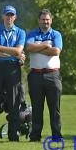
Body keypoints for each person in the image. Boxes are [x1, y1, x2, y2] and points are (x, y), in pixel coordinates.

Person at [0, 5, 26, 142]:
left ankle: (13, 135)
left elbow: (18, 51)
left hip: (13, 68)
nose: (9, 17)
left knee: (14, 101)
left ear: (15, 17)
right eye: (7, 15)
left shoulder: (20, 32)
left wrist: (0, 48)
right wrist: (12, 53)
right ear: (2, 16)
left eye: (11, 15)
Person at [26, 9, 63, 142]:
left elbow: (56, 51)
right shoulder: (32, 33)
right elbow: (29, 48)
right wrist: (46, 45)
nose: (45, 22)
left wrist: (38, 47)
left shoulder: (56, 34)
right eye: (43, 19)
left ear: (51, 20)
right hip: (35, 75)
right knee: (37, 108)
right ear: (39, 20)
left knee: (55, 108)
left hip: (52, 75)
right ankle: (35, 136)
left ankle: (56, 136)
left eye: (47, 19)